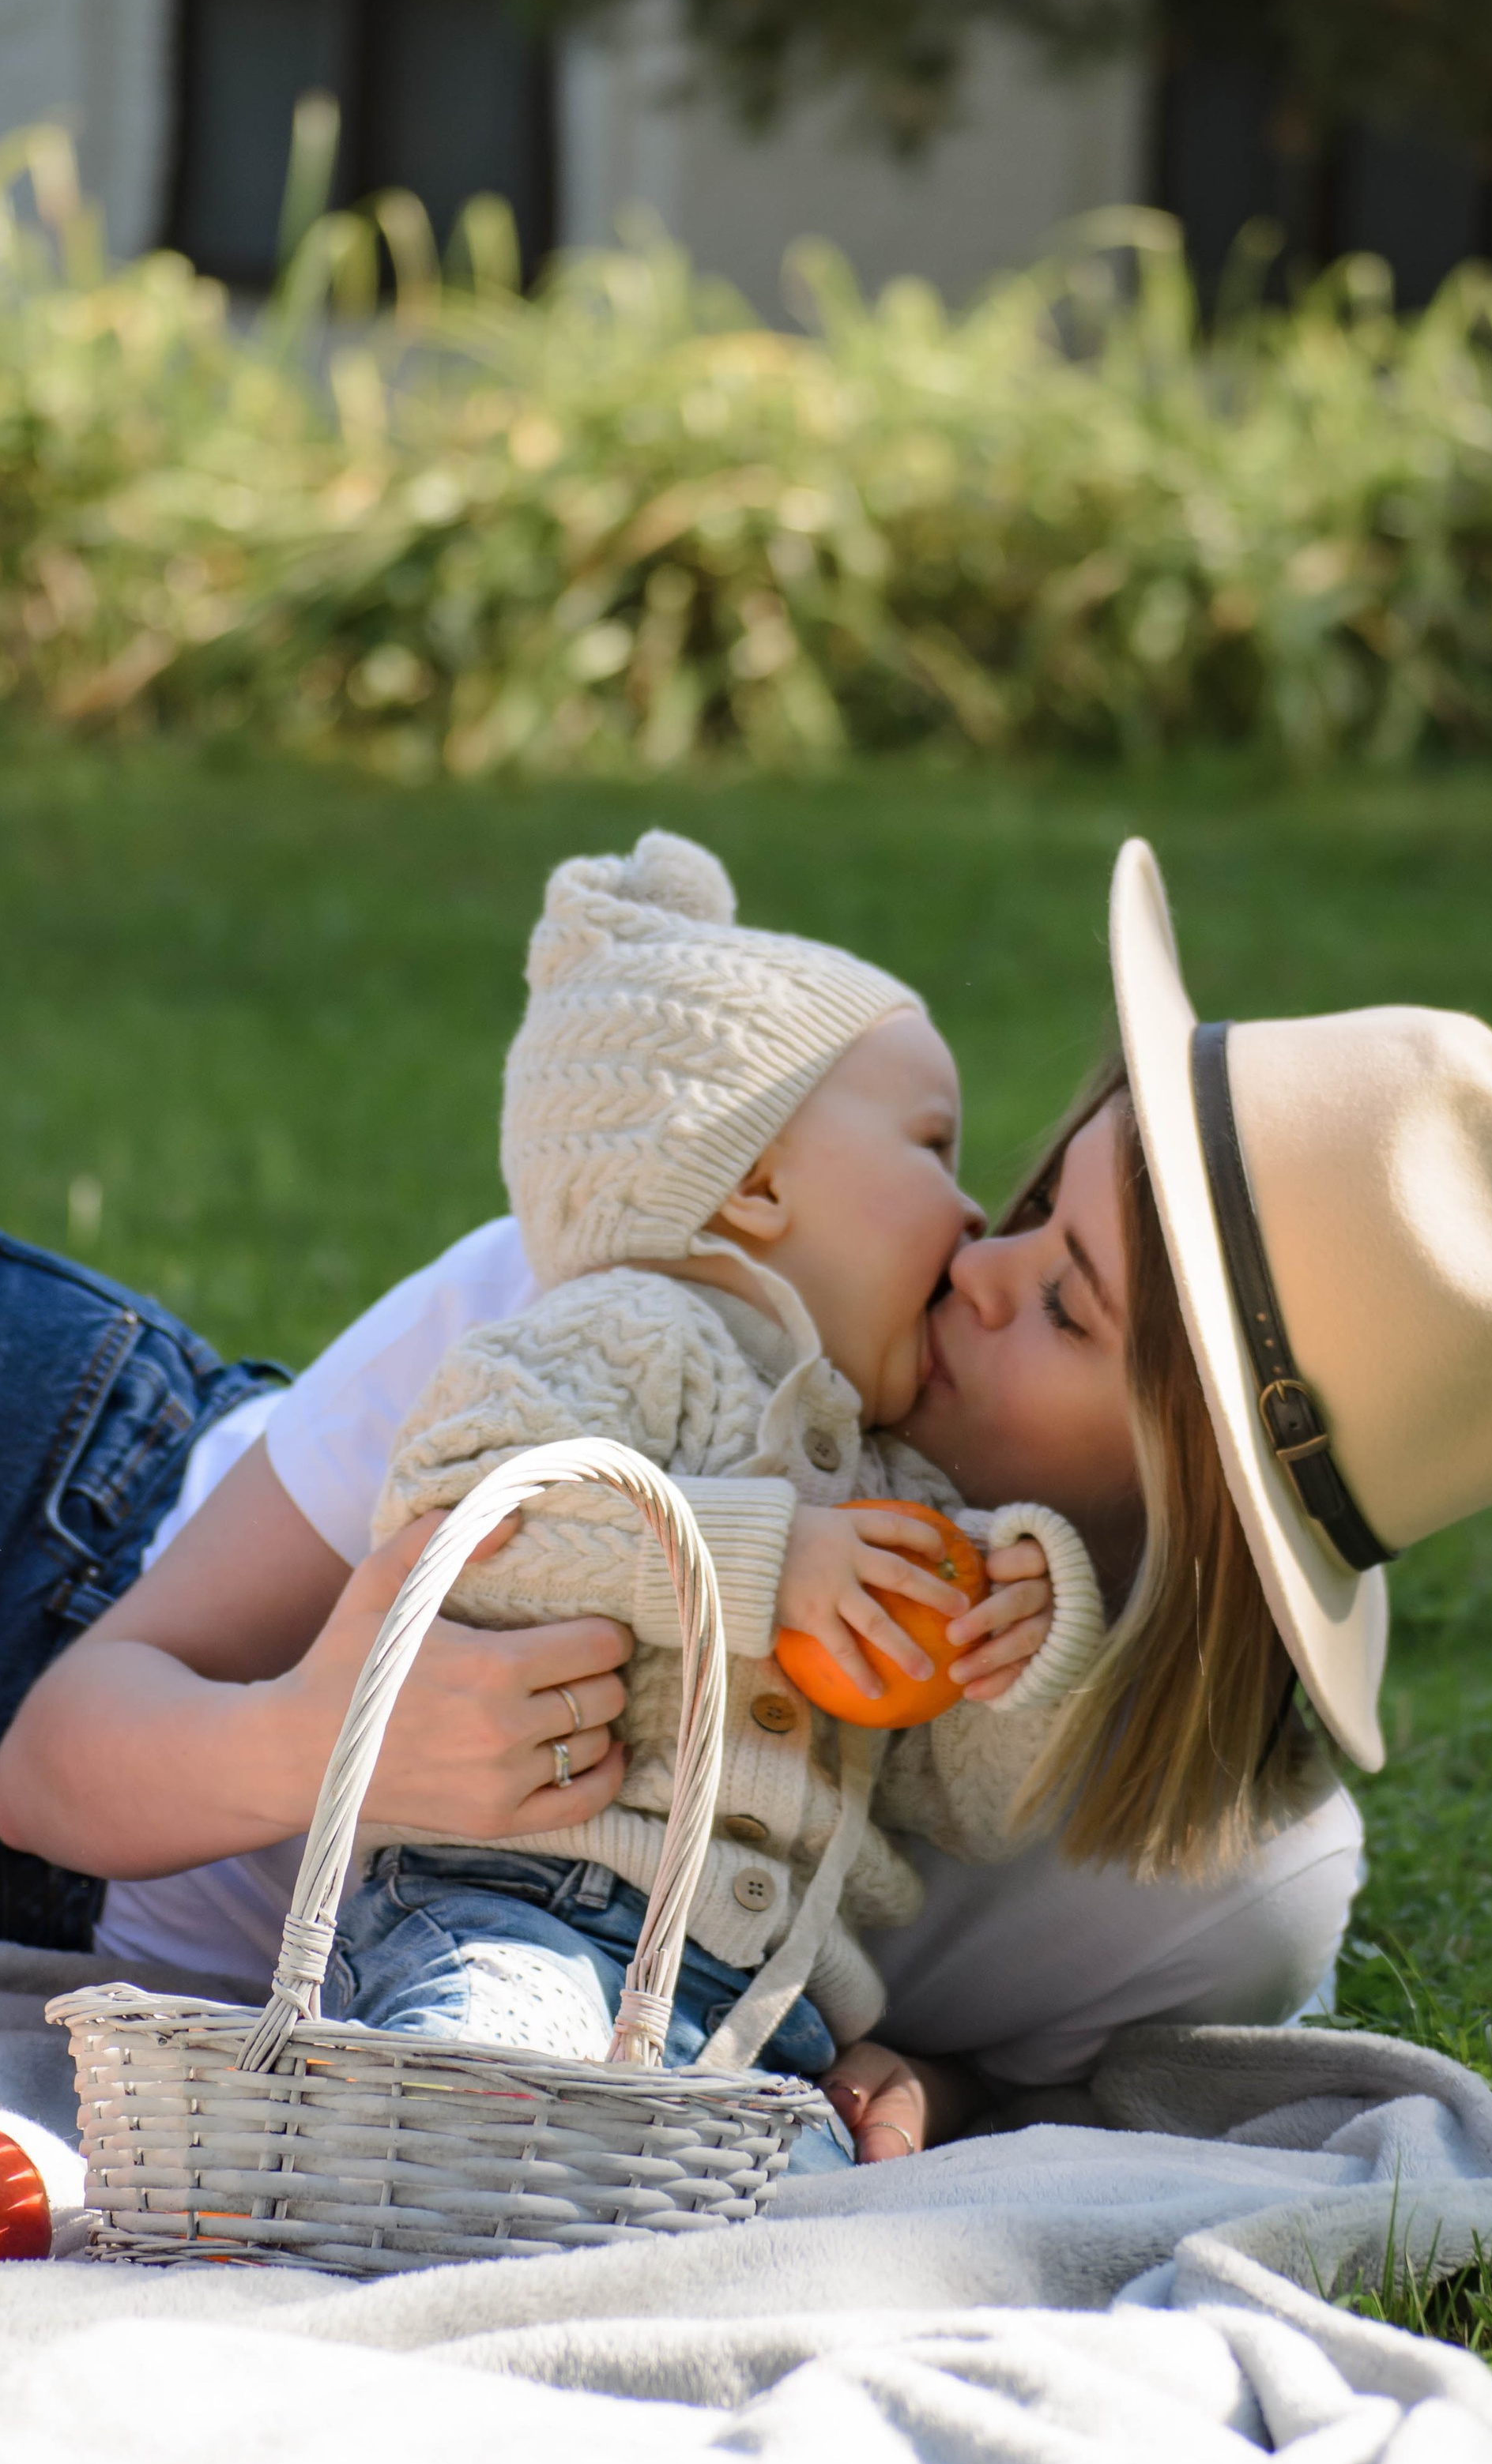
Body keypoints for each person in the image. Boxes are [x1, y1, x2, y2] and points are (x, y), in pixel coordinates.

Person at [0, 835, 1492, 2165]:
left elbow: (1013, 2040)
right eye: (1028, 1207)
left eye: (1064, 1302)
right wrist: (324, 1736)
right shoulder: (654, 1321)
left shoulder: (1223, 1897)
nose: (977, 1270)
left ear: (1203, 1510)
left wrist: (953, 2088)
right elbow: (60, 1757)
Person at [322, 829, 1108, 2097]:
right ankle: (415, 2156)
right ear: (751, 1185)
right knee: (502, 2061)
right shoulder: (630, 1334)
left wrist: (1020, 1657)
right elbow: (464, 1501)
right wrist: (759, 1556)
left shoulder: (891, 1478)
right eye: (934, 1148)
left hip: (755, 2007)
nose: (974, 1216)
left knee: (785, 2174)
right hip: (524, 1904)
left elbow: (959, 1802)